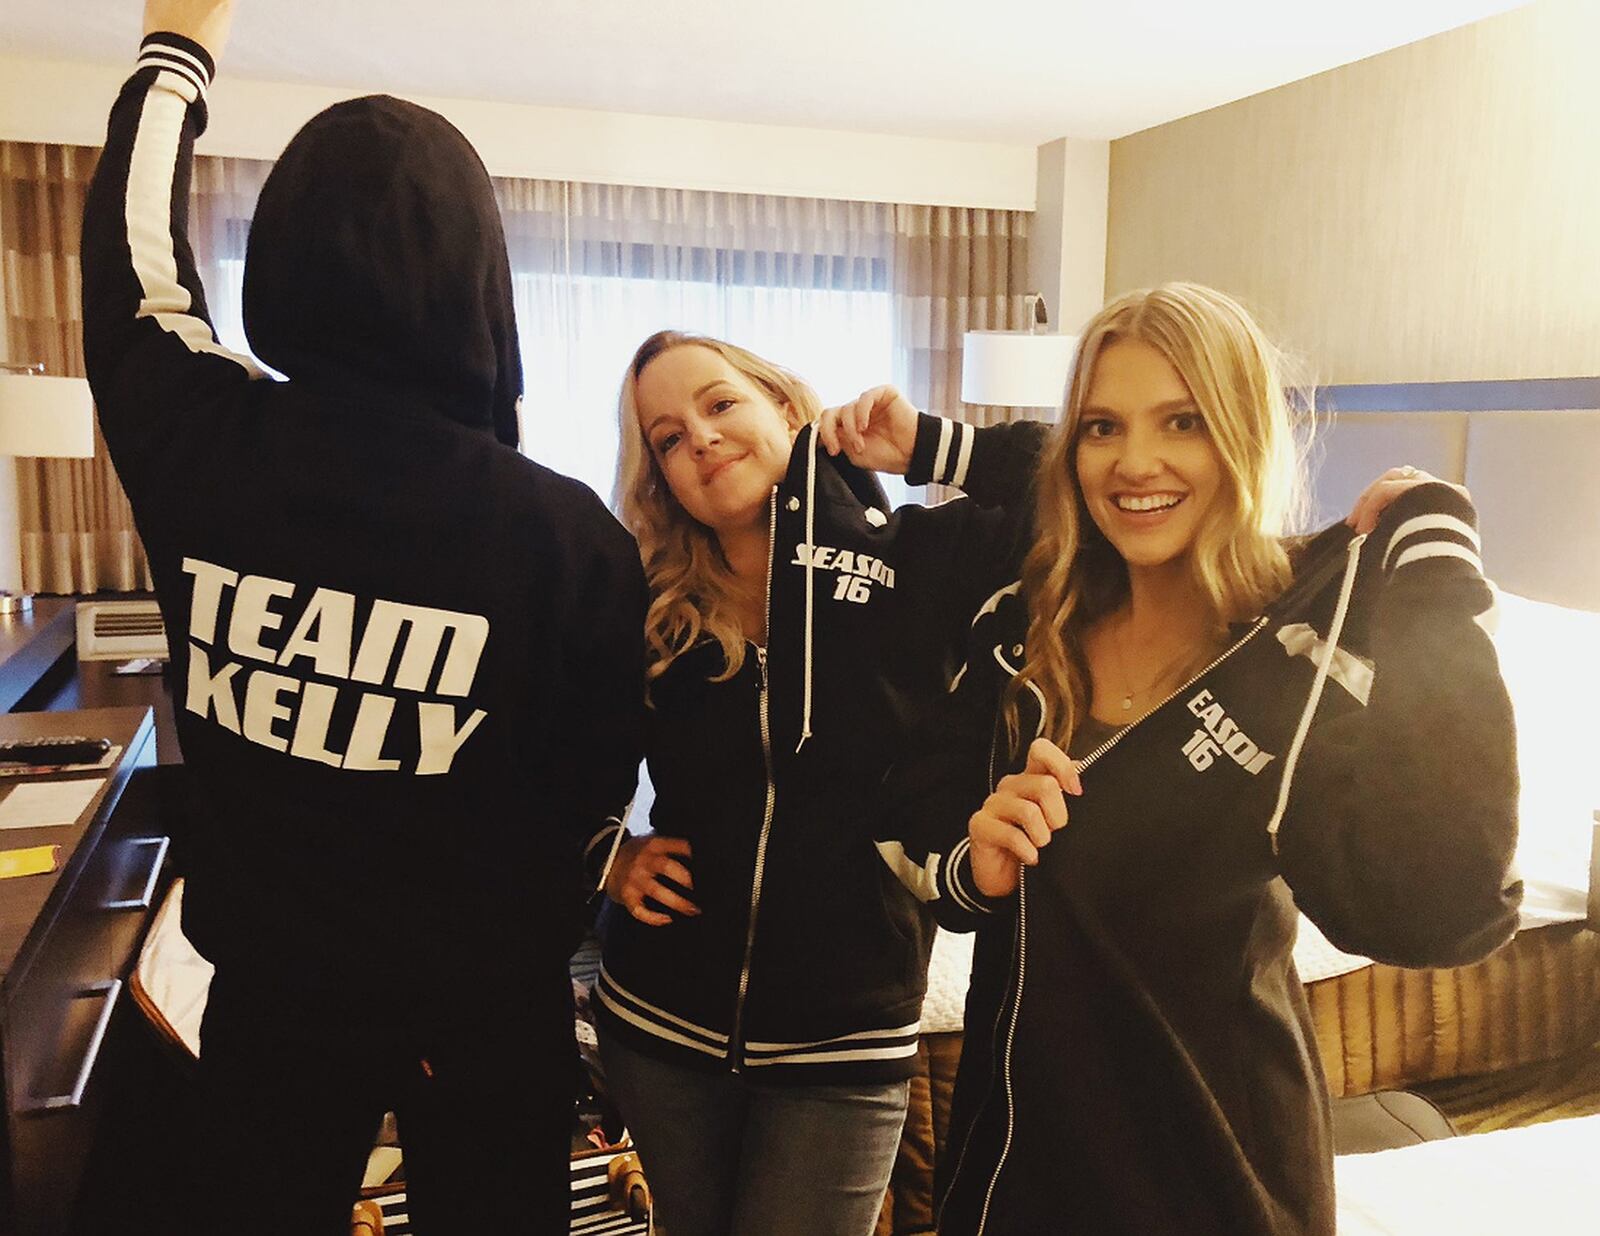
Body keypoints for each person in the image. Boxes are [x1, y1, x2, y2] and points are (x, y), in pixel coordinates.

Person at [81, 2, 646, 1232]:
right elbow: (592, 794)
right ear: (483, 282)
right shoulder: (566, 535)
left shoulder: (204, 441)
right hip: (482, 1011)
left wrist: (175, 53)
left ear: (278, 263)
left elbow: (132, 268)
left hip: (271, 995)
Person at [885, 283, 1521, 1235]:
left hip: (1213, 1165)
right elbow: (917, 841)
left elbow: (1448, 907)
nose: (1133, 462)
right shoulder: (1025, 625)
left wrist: (1433, 568)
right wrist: (974, 865)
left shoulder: (1300, 646)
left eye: (1180, 421)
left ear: (1240, 431)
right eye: (1101, 427)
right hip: (1011, 1160)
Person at [589, 330, 1049, 1235]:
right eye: (668, 438)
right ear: (660, 478)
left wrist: (928, 445)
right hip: (660, 1023)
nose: (701, 439)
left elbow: (1073, 492)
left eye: (720, 404)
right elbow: (544, 740)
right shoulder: (643, 596)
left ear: (787, 410)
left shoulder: (918, 560)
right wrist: (605, 854)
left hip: (846, 1035)